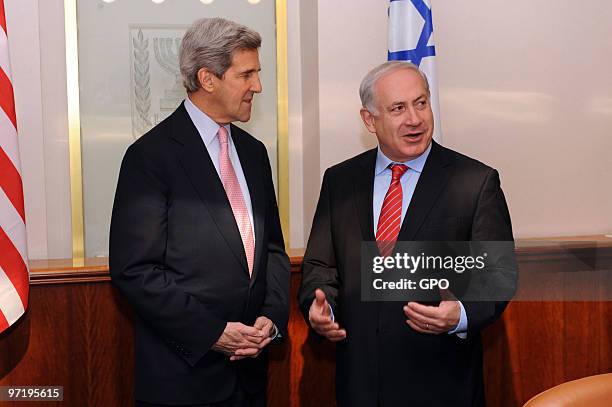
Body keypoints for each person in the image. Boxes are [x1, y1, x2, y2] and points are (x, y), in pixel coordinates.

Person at [298, 61, 515, 407]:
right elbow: (320, 266)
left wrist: (459, 314)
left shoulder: (475, 181)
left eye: (421, 103)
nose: (414, 119)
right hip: (360, 385)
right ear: (369, 120)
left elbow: (498, 275)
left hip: (441, 385)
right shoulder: (340, 181)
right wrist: (319, 307)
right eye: (398, 108)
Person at [110, 18, 290, 407]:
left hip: (251, 376)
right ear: (208, 79)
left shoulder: (255, 153)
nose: (257, 86)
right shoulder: (150, 157)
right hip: (183, 380)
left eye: (257, 73)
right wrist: (213, 333)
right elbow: (135, 270)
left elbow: (272, 249)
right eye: (247, 74)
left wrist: (271, 320)